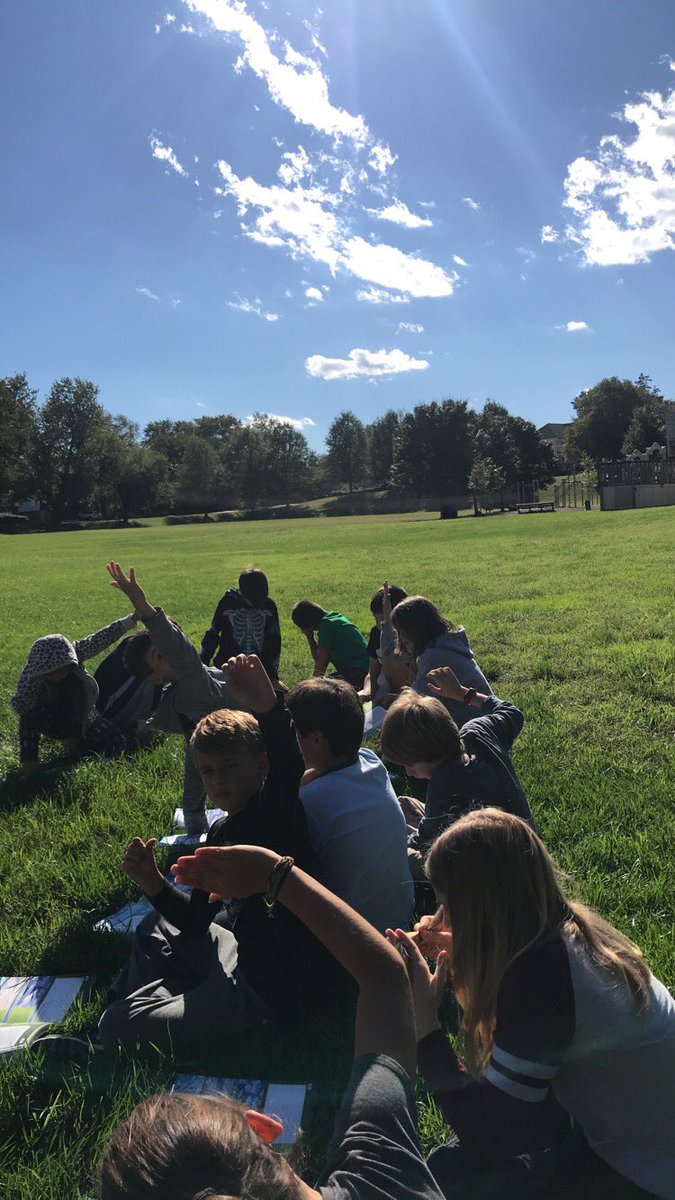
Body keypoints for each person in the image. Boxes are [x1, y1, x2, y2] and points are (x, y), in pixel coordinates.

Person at [99, 842, 447, 1200]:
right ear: (262, 1127)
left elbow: (384, 975)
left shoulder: (382, 1168)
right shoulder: (381, 1172)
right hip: (242, 965)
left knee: (118, 1019)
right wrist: (277, 874)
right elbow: (384, 973)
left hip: (249, 983)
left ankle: (149, 998)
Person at [388, 809, 675, 1199]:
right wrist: (467, 957)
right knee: (457, 1158)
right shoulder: (561, 933)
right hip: (638, 1130)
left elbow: (490, 1141)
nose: (443, 919)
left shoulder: (538, 977)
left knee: (449, 1177)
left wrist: (425, 1025)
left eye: (449, 906)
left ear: (482, 912)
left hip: (647, 1172)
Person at [98, 655, 337, 1051]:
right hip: (238, 954)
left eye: (229, 766)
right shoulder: (220, 831)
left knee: (116, 1024)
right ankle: (166, 998)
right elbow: (195, 921)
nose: (219, 780)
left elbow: (287, 756)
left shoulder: (276, 811)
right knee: (155, 925)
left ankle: (139, 1014)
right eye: (207, 771)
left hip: (266, 990)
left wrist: (268, 706)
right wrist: (153, 882)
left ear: (261, 764)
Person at [106, 561, 240, 835]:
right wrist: (193, 814)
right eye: (160, 655)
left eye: (165, 648)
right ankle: (197, 827)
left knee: (227, 782)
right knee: (200, 777)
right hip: (222, 742)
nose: (170, 653)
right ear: (156, 678)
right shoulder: (187, 687)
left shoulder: (192, 680)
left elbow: (177, 647)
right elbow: (195, 764)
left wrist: (145, 608)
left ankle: (201, 823)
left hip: (248, 739)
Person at [285, 675, 414, 933]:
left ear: (317, 740)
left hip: (353, 940)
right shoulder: (370, 762)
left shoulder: (308, 804)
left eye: (292, 733)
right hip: (399, 917)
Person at [380, 665, 535, 879]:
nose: (408, 773)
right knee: (405, 804)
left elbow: (424, 841)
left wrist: (397, 845)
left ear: (428, 751)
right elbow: (512, 713)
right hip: (531, 847)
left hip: (499, 872)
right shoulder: (479, 732)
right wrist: (464, 694)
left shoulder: (444, 783)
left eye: (410, 765)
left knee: (395, 855)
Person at [11, 612, 136, 771]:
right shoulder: (30, 678)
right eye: (50, 673)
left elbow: (101, 638)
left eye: (61, 671)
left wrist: (130, 621)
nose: (57, 676)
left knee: (117, 741)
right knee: (28, 715)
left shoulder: (76, 652)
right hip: (48, 717)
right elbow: (23, 707)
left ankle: (81, 756)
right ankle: (30, 766)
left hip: (83, 715)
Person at [391, 596, 491, 728]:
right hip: (486, 722)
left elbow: (416, 706)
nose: (401, 636)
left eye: (405, 629)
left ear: (419, 627)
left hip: (476, 728)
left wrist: (392, 705)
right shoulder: (443, 645)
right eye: (398, 630)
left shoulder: (434, 656)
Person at [201, 566, 282, 680]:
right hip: (227, 666)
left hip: (260, 669)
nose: (256, 605)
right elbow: (213, 633)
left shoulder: (269, 605)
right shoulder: (228, 603)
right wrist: (202, 663)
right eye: (252, 602)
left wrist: (273, 675)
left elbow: (274, 641)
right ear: (240, 592)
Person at [93, 635, 163, 738]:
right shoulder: (148, 653)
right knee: (156, 675)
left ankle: (145, 725)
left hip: (101, 710)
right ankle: (144, 728)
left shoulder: (138, 642)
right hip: (105, 715)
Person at [291, 600, 369, 689]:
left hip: (359, 671)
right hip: (365, 668)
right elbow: (319, 658)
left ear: (308, 625)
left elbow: (320, 666)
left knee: (326, 689)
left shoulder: (327, 626)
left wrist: (310, 688)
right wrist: (310, 637)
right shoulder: (334, 617)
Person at [364, 581, 412, 706]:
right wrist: (370, 694)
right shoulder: (376, 633)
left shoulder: (409, 638)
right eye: (376, 619)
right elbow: (373, 669)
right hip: (385, 687)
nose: (379, 624)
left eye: (382, 619)